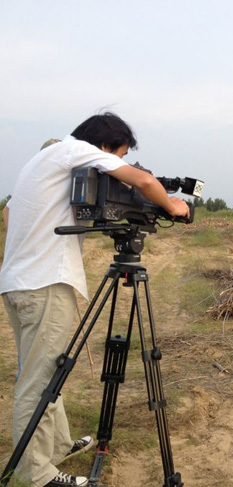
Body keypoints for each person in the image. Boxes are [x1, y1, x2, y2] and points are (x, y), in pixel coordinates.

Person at [0, 112, 190, 487]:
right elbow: (143, 180)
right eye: (117, 156)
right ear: (103, 146)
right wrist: (173, 206)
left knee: (47, 370)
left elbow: (9, 213)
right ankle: (36, 474)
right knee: (37, 384)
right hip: (45, 285)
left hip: (19, 282)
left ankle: (57, 446)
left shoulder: (44, 158)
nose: (116, 166)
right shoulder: (80, 151)